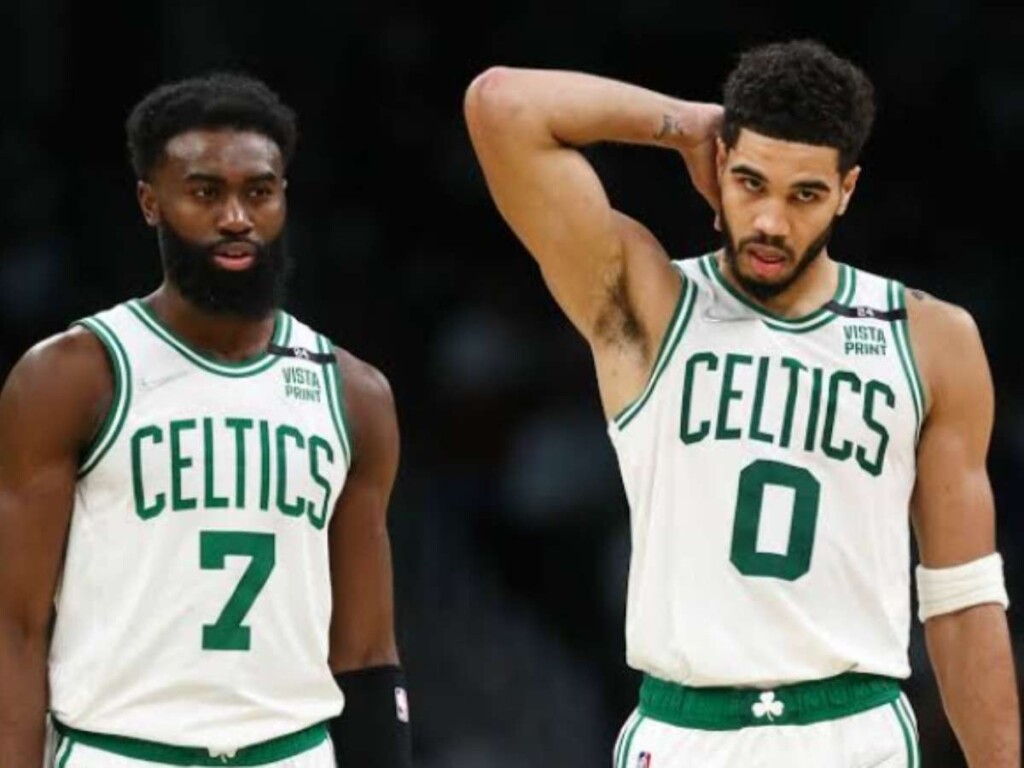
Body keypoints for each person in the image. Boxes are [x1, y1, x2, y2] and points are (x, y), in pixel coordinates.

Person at [464, 39, 1019, 766]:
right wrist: (687, 122)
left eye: (805, 194)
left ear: (847, 190)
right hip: (685, 728)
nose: (770, 223)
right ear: (720, 165)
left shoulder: (930, 340)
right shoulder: (650, 303)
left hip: (855, 729)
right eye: (752, 182)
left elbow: (963, 601)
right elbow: (502, 104)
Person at [0, 73, 413, 768]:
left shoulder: (354, 393)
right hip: (121, 751)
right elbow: (15, 627)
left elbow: (368, 650)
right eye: (205, 192)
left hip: (291, 752)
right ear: (150, 202)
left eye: (259, 191)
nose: (235, 217)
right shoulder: (73, 375)